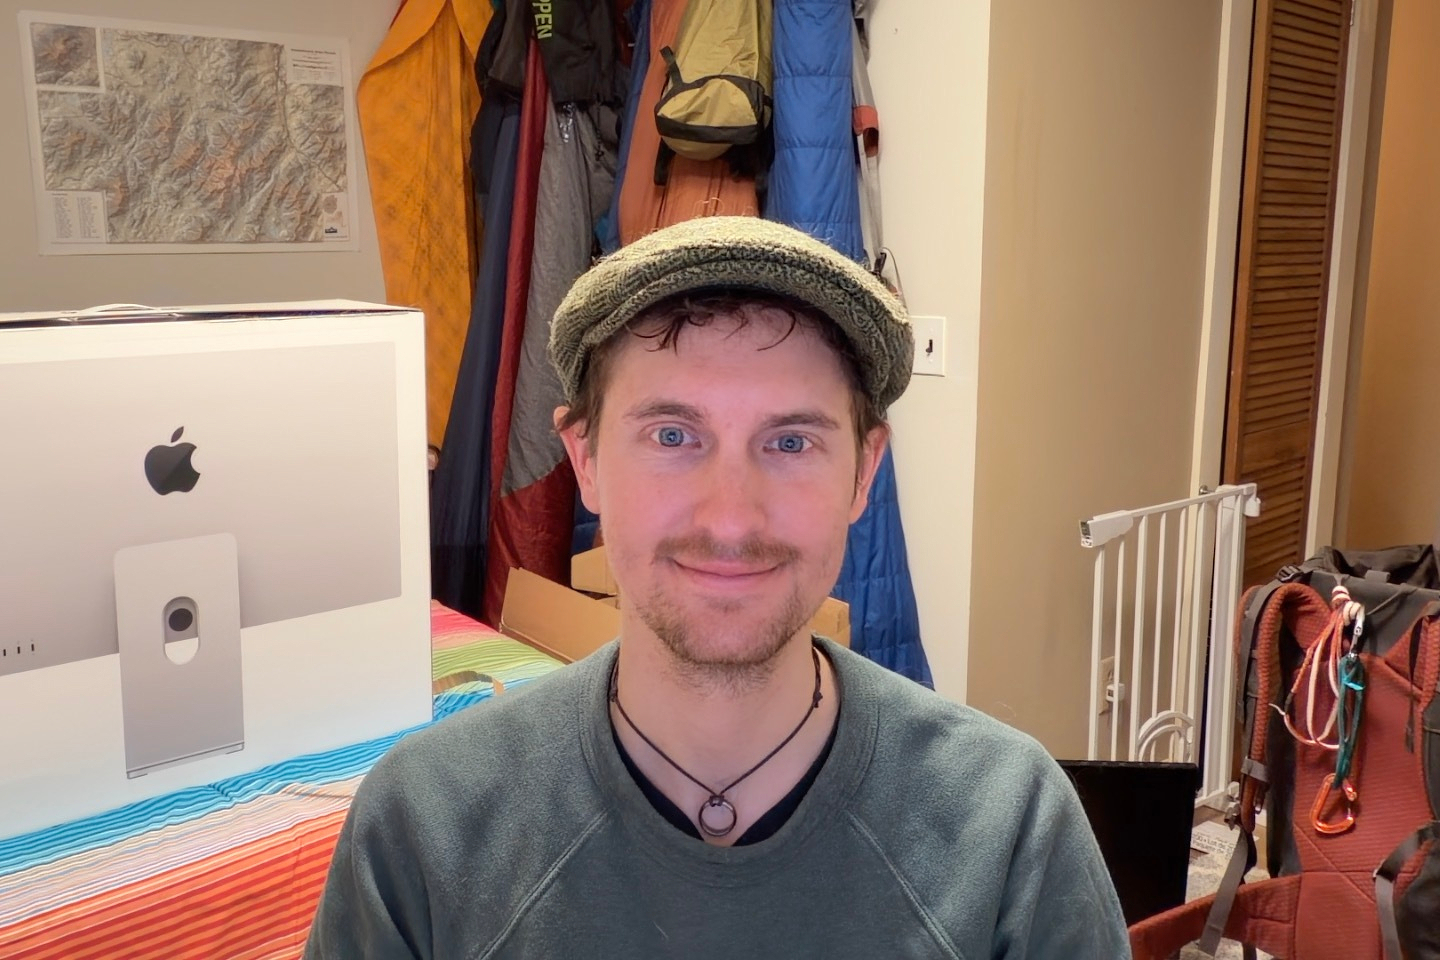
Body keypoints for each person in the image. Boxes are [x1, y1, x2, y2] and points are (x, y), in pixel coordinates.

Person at [304, 217, 1130, 959]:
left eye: (792, 442)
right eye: (672, 434)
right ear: (585, 459)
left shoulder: (1011, 829)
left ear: (863, 471)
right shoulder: (422, 829)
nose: (731, 519)